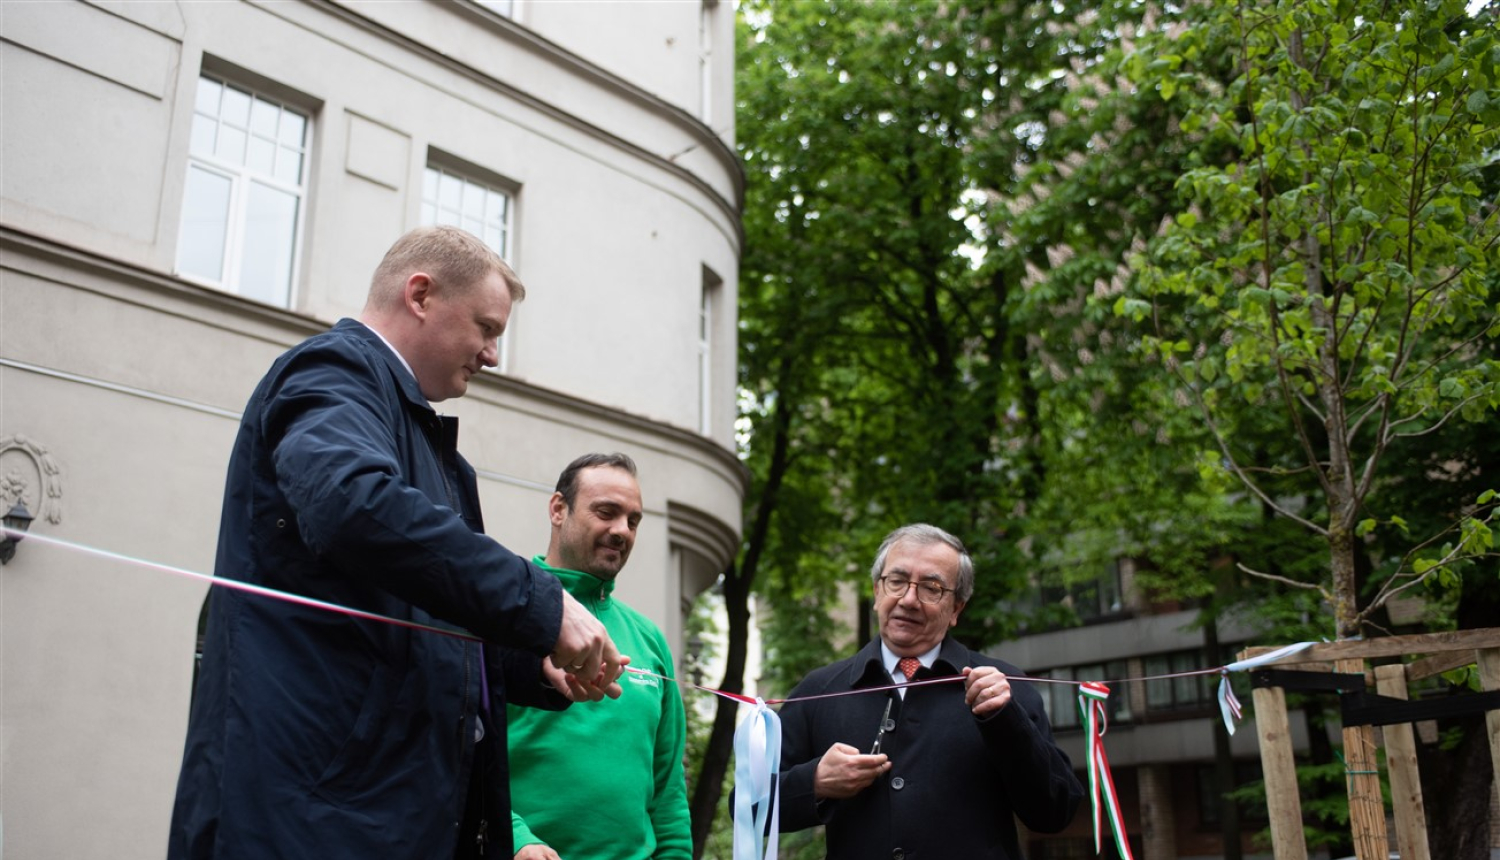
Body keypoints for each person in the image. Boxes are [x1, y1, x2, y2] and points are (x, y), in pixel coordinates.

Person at [169, 225, 625, 860]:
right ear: (420, 295)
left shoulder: (420, 440)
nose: (493, 355)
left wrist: (530, 663)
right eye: (487, 328)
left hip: (378, 815)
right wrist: (543, 603)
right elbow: (349, 505)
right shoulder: (332, 369)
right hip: (312, 819)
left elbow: (417, 612)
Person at [777, 523, 1084, 860]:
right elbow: (747, 806)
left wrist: (1005, 719)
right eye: (896, 581)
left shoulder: (1004, 687)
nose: (908, 599)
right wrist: (815, 782)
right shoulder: (819, 690)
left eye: (931, 587)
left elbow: (1056, 811)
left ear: (956, 610)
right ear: (877, 591)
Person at [506, 453, 692, 860]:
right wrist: (516, 838)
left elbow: (668, 791)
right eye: (606, 512)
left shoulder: (649, 639)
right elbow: (458, 752)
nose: (621, 530)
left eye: (633, 520)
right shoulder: (504, 616)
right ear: (558, 509)